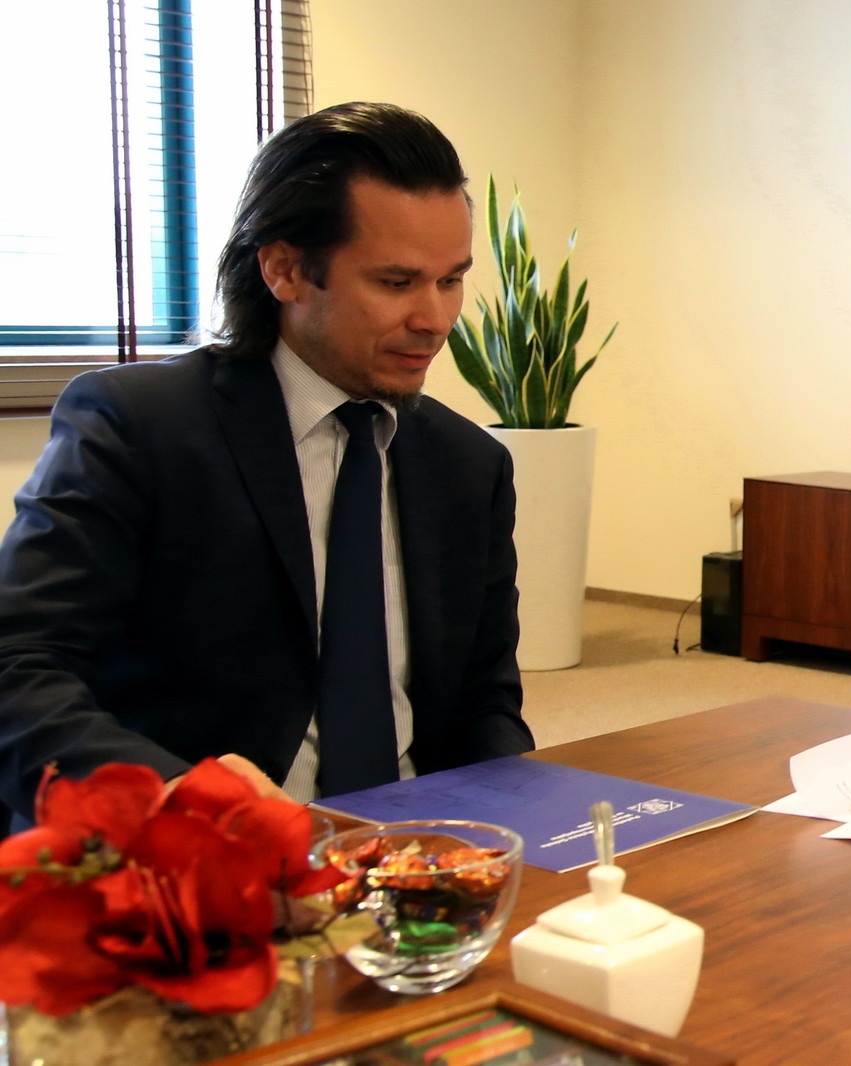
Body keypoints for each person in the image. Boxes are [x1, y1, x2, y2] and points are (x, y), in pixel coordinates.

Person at [0, 102, 533, 821]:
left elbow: (484, 702)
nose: (434, 321)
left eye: (451, 280)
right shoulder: (141, 426)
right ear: (284, 269)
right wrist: (188, 802)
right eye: (396, 282)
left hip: (413, 853)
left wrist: (519, 820)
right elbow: (19, 664)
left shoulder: (469, 465)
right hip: (204, 850)